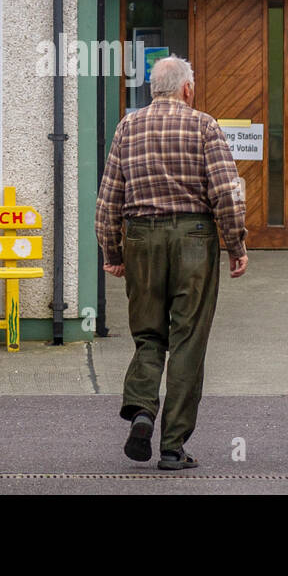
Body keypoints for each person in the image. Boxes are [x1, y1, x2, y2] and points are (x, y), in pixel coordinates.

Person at [94, 56, 248, 470]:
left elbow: (109, 196)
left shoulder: (128, 127)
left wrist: (112, 250)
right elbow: (226, 193)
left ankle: (142, 410)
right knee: (187, 340)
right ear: (186, 89)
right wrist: (236, 245)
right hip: (194, 239)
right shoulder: (205, 126)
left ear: (152, 89)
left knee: (148, 335)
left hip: (141, 237)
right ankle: (172, 446)